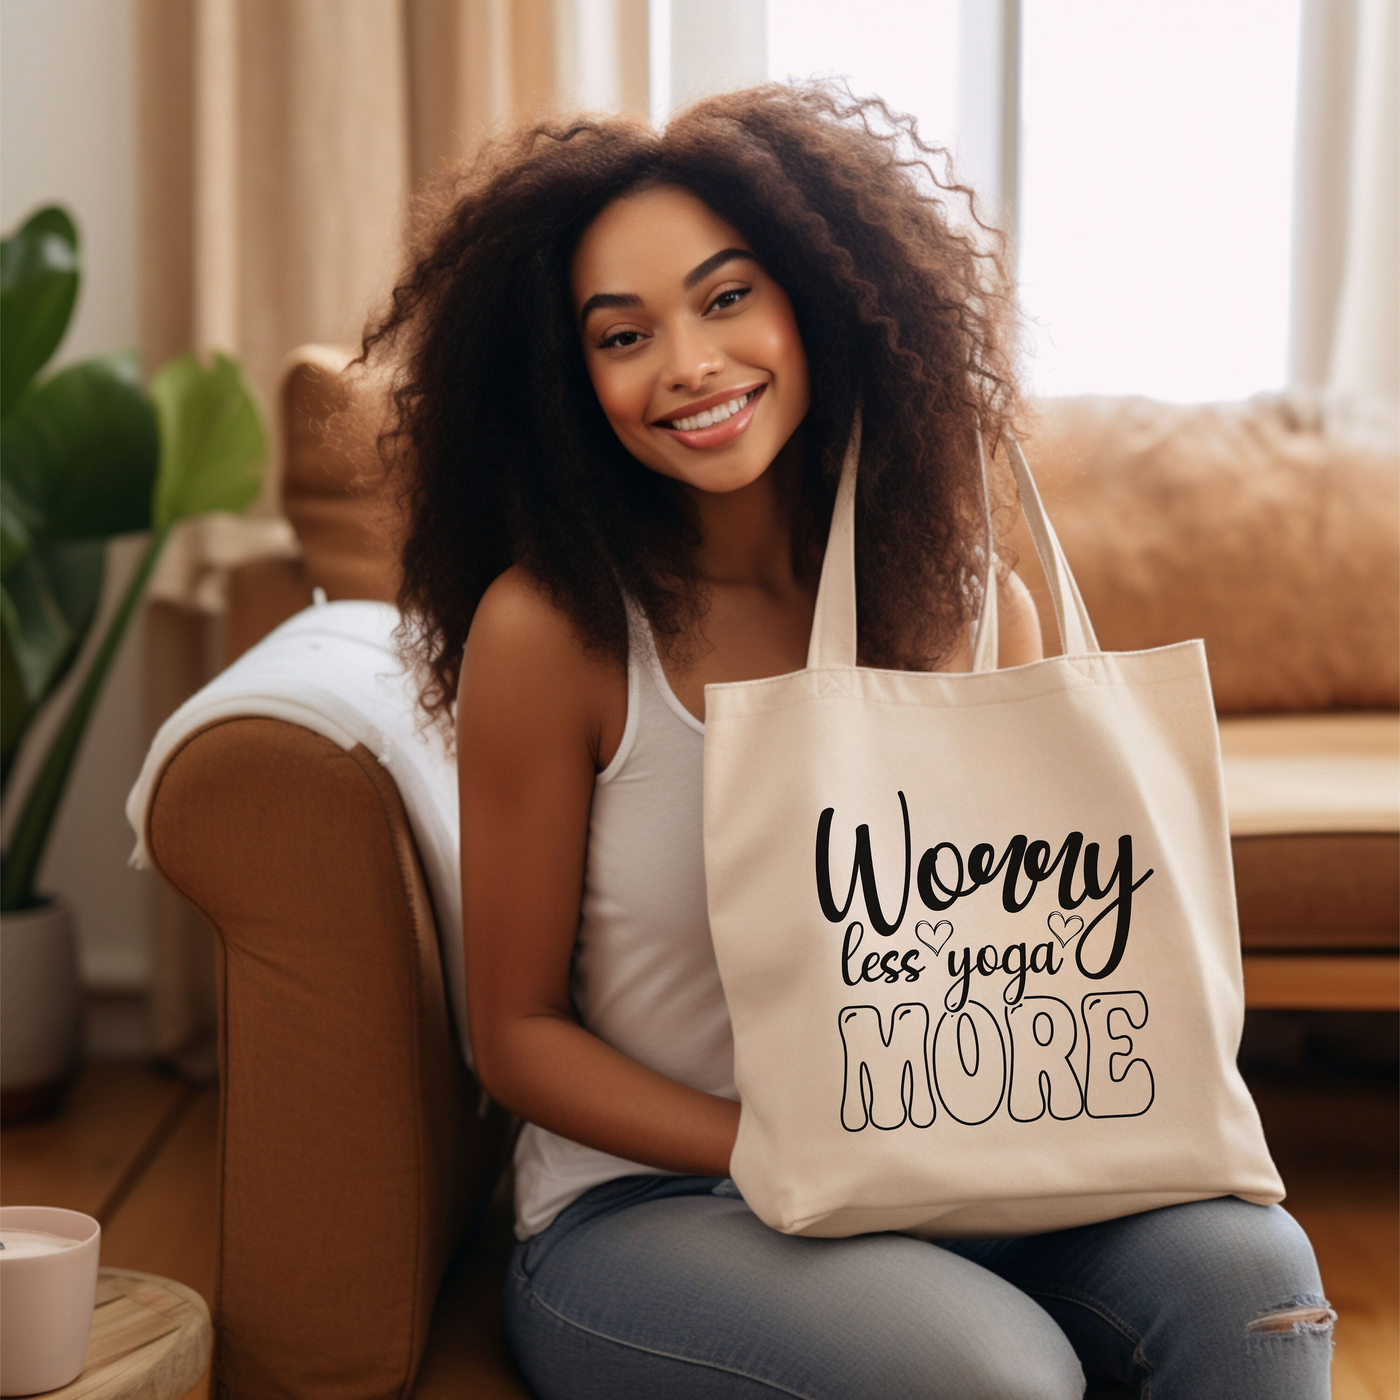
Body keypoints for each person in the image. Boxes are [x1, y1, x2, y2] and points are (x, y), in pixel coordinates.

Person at [355, 80, 1333, 1400]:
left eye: (725, 297)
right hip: (661, 1207)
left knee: (1251, 1286)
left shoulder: (976, 602)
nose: (689, 362)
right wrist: (783, 1140)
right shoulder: (554, 632)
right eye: (623, 333)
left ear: (820, 297)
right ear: (567, 380)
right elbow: (516, 1036)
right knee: (996, 1379)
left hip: (978, 1165)